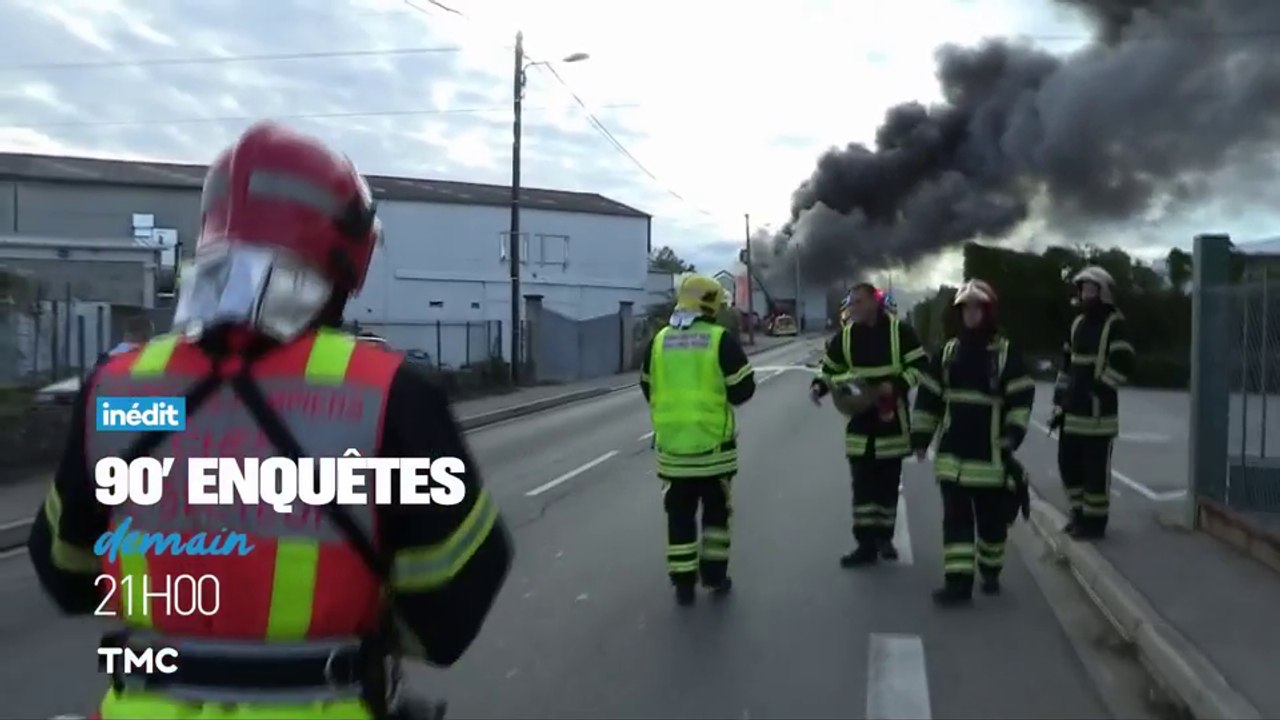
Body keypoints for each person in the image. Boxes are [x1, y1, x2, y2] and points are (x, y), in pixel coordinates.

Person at [26, 122, 513, 720]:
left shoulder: (118, 388)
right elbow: (452, 606)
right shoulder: (390, 395)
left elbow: (65, 571)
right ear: (349, 254)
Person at [910, 280, 1035, 606]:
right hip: (952, 456)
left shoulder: (1006, 354)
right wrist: (921, 438)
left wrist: (1013, 435)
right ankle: (958, 583)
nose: (970, 314)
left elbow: (1021, 398)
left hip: (991, 456)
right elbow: (929, 397)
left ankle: (991, 569)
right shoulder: (948, 353)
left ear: (988, 312)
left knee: (992, 525)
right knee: (956, 522)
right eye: (965, 308)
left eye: (976, 308)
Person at [640, 274, 756, 606]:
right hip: (713, 453)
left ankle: (683, 585)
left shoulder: (659, 341)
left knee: (679, 517)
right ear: (711, 305)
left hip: (673, 452)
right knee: (716, 518)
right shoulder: (721, 340)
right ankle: (715, 578)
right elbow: (743, 390)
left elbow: (647, 386)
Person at [810, 282, 928, 567]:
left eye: (858, 302)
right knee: (862, 488)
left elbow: (920, 367)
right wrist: (818, 387)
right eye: (851, 303)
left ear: (874, 303)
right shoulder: (846, 336)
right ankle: (865, 544)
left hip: (891, 422)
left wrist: (896, 385)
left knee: (887, 487)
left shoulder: (901, 333)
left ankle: (884, 538)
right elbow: (830, 369)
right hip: (860, 425)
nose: (853, 307)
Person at [1051, 265, 1136, 540]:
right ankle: (1079, 515)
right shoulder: (1077, 324)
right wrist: (1059, 400)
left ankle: (1094, 524)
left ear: (1104, 292)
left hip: (1099, 417)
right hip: (1073, 412)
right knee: (1068, 465)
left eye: (1091, 289)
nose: (1086, 294)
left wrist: (1097, 390)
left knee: (1095, 474)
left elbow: (1123, 363)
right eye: (1083, 288)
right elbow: (1066, 365)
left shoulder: (1115, 324)